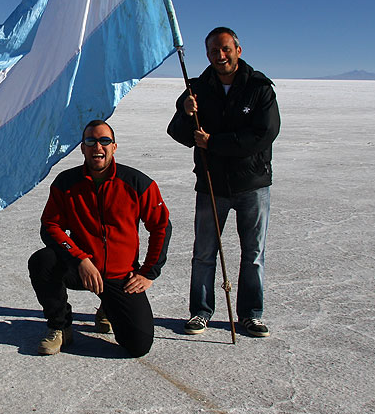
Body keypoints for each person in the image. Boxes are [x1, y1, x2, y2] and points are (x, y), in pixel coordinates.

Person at [167, 27, 280, 338]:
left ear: (238, 50)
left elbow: (264, 133)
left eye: (226, 49)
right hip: (211, 184)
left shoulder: (259, 88)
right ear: (207, 55)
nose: (220, 55)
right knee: (204, 252)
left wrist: (214, 143)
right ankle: (200, 312)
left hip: (252, 184)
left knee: (253, 253)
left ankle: (251, 315)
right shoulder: (197, 89)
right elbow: (178, 133)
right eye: (214, 50)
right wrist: (185, 113)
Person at [28, 120, 171, 357]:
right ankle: (60, 326)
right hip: (81, 269)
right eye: (90, 141)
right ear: (82, 148)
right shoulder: (66, 183)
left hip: (120, 276)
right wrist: (80, 259)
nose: (98, 147)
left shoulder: (136, 183)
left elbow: (161, 226)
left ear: (114, 146)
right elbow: (50, 226)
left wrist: (148, 272)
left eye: (104, 141)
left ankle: (108, 306)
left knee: (138, 345)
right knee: (42, 261)